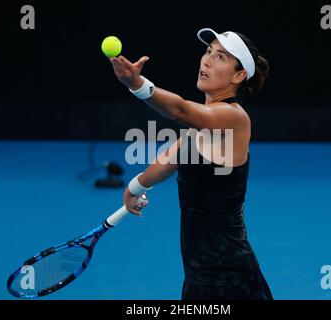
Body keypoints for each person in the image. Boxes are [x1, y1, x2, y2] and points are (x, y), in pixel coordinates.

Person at [109, 28, 273, 300]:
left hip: (230, 274)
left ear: (238, 76)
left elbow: (178, 109)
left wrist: (137, 85)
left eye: (220, 57)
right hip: (199, 271)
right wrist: (134, 187)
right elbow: (168, 160)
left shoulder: (235, 119)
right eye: (208, 52)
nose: (207, 60)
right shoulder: (200, 125)